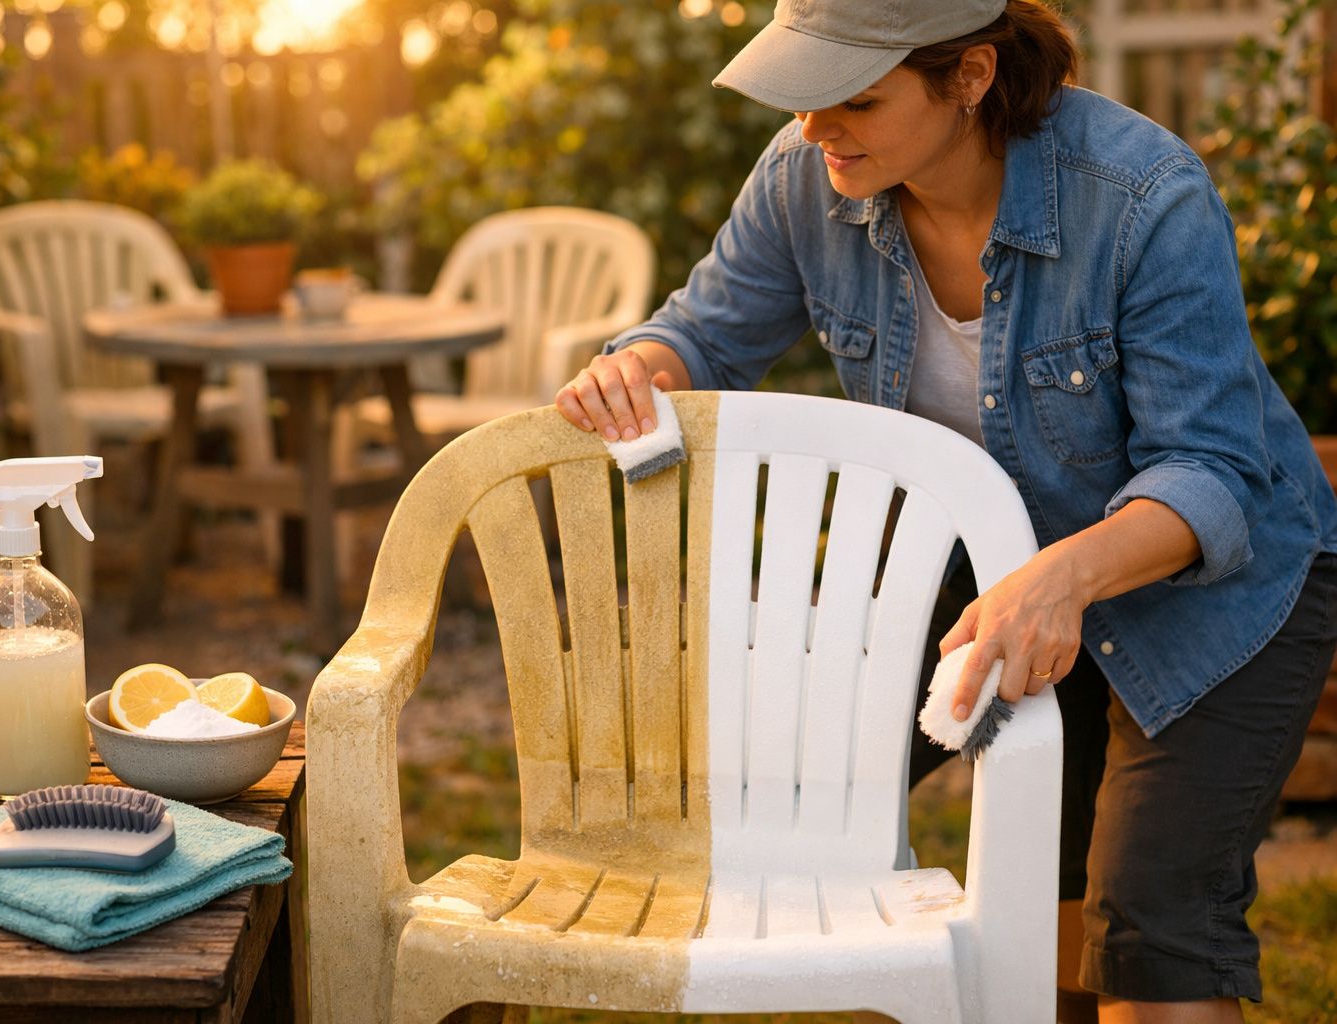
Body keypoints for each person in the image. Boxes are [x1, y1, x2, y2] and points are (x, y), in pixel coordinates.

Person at [553, 1, 1337, 1021]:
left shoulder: (1142, 193)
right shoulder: (807, 180)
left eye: (857, 97)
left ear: (970, 76)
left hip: (1215, 587)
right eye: (805, 94)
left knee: (1151, 918)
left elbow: (1214, 473)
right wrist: (635, 371)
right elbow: (703, 334)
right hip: (1002, 562)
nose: (814, 127)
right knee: (982, 872)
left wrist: (1058, 578)